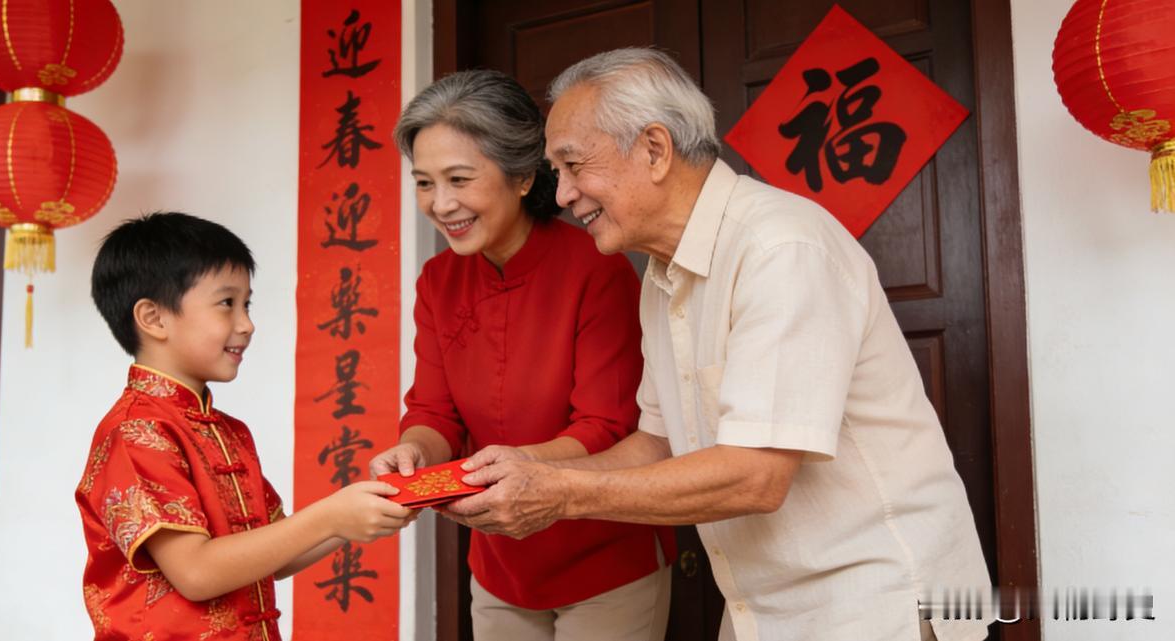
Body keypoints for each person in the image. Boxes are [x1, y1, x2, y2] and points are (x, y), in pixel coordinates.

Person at [448, 49, 994, 641]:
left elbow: (757, 475)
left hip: (873, 600)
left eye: (574, 165)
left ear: (654, 149)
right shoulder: (661, 275)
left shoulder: (780, 248)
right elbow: (657, 443)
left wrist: (559, 494)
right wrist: (534, 467)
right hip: (761, 608)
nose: (563, 195)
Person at [369, 70, 676, 641]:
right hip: (500, 562)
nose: (441, 203)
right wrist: (414, 453)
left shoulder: (596, 267)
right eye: (424, 183)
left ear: (522, 176)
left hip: (604, 555)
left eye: (460, 179)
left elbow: (606, 427)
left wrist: (507, 467)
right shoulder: (438, 280)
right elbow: (435, 413)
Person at [76, 212, 413, 641]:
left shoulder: (229, 431)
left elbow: (278, 553)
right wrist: (332, 515)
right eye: (227, 304)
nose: (247, 324)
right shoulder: (135, 432)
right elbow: (196, 572)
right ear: (154, 318)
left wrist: (375, 504)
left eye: (246, 304)